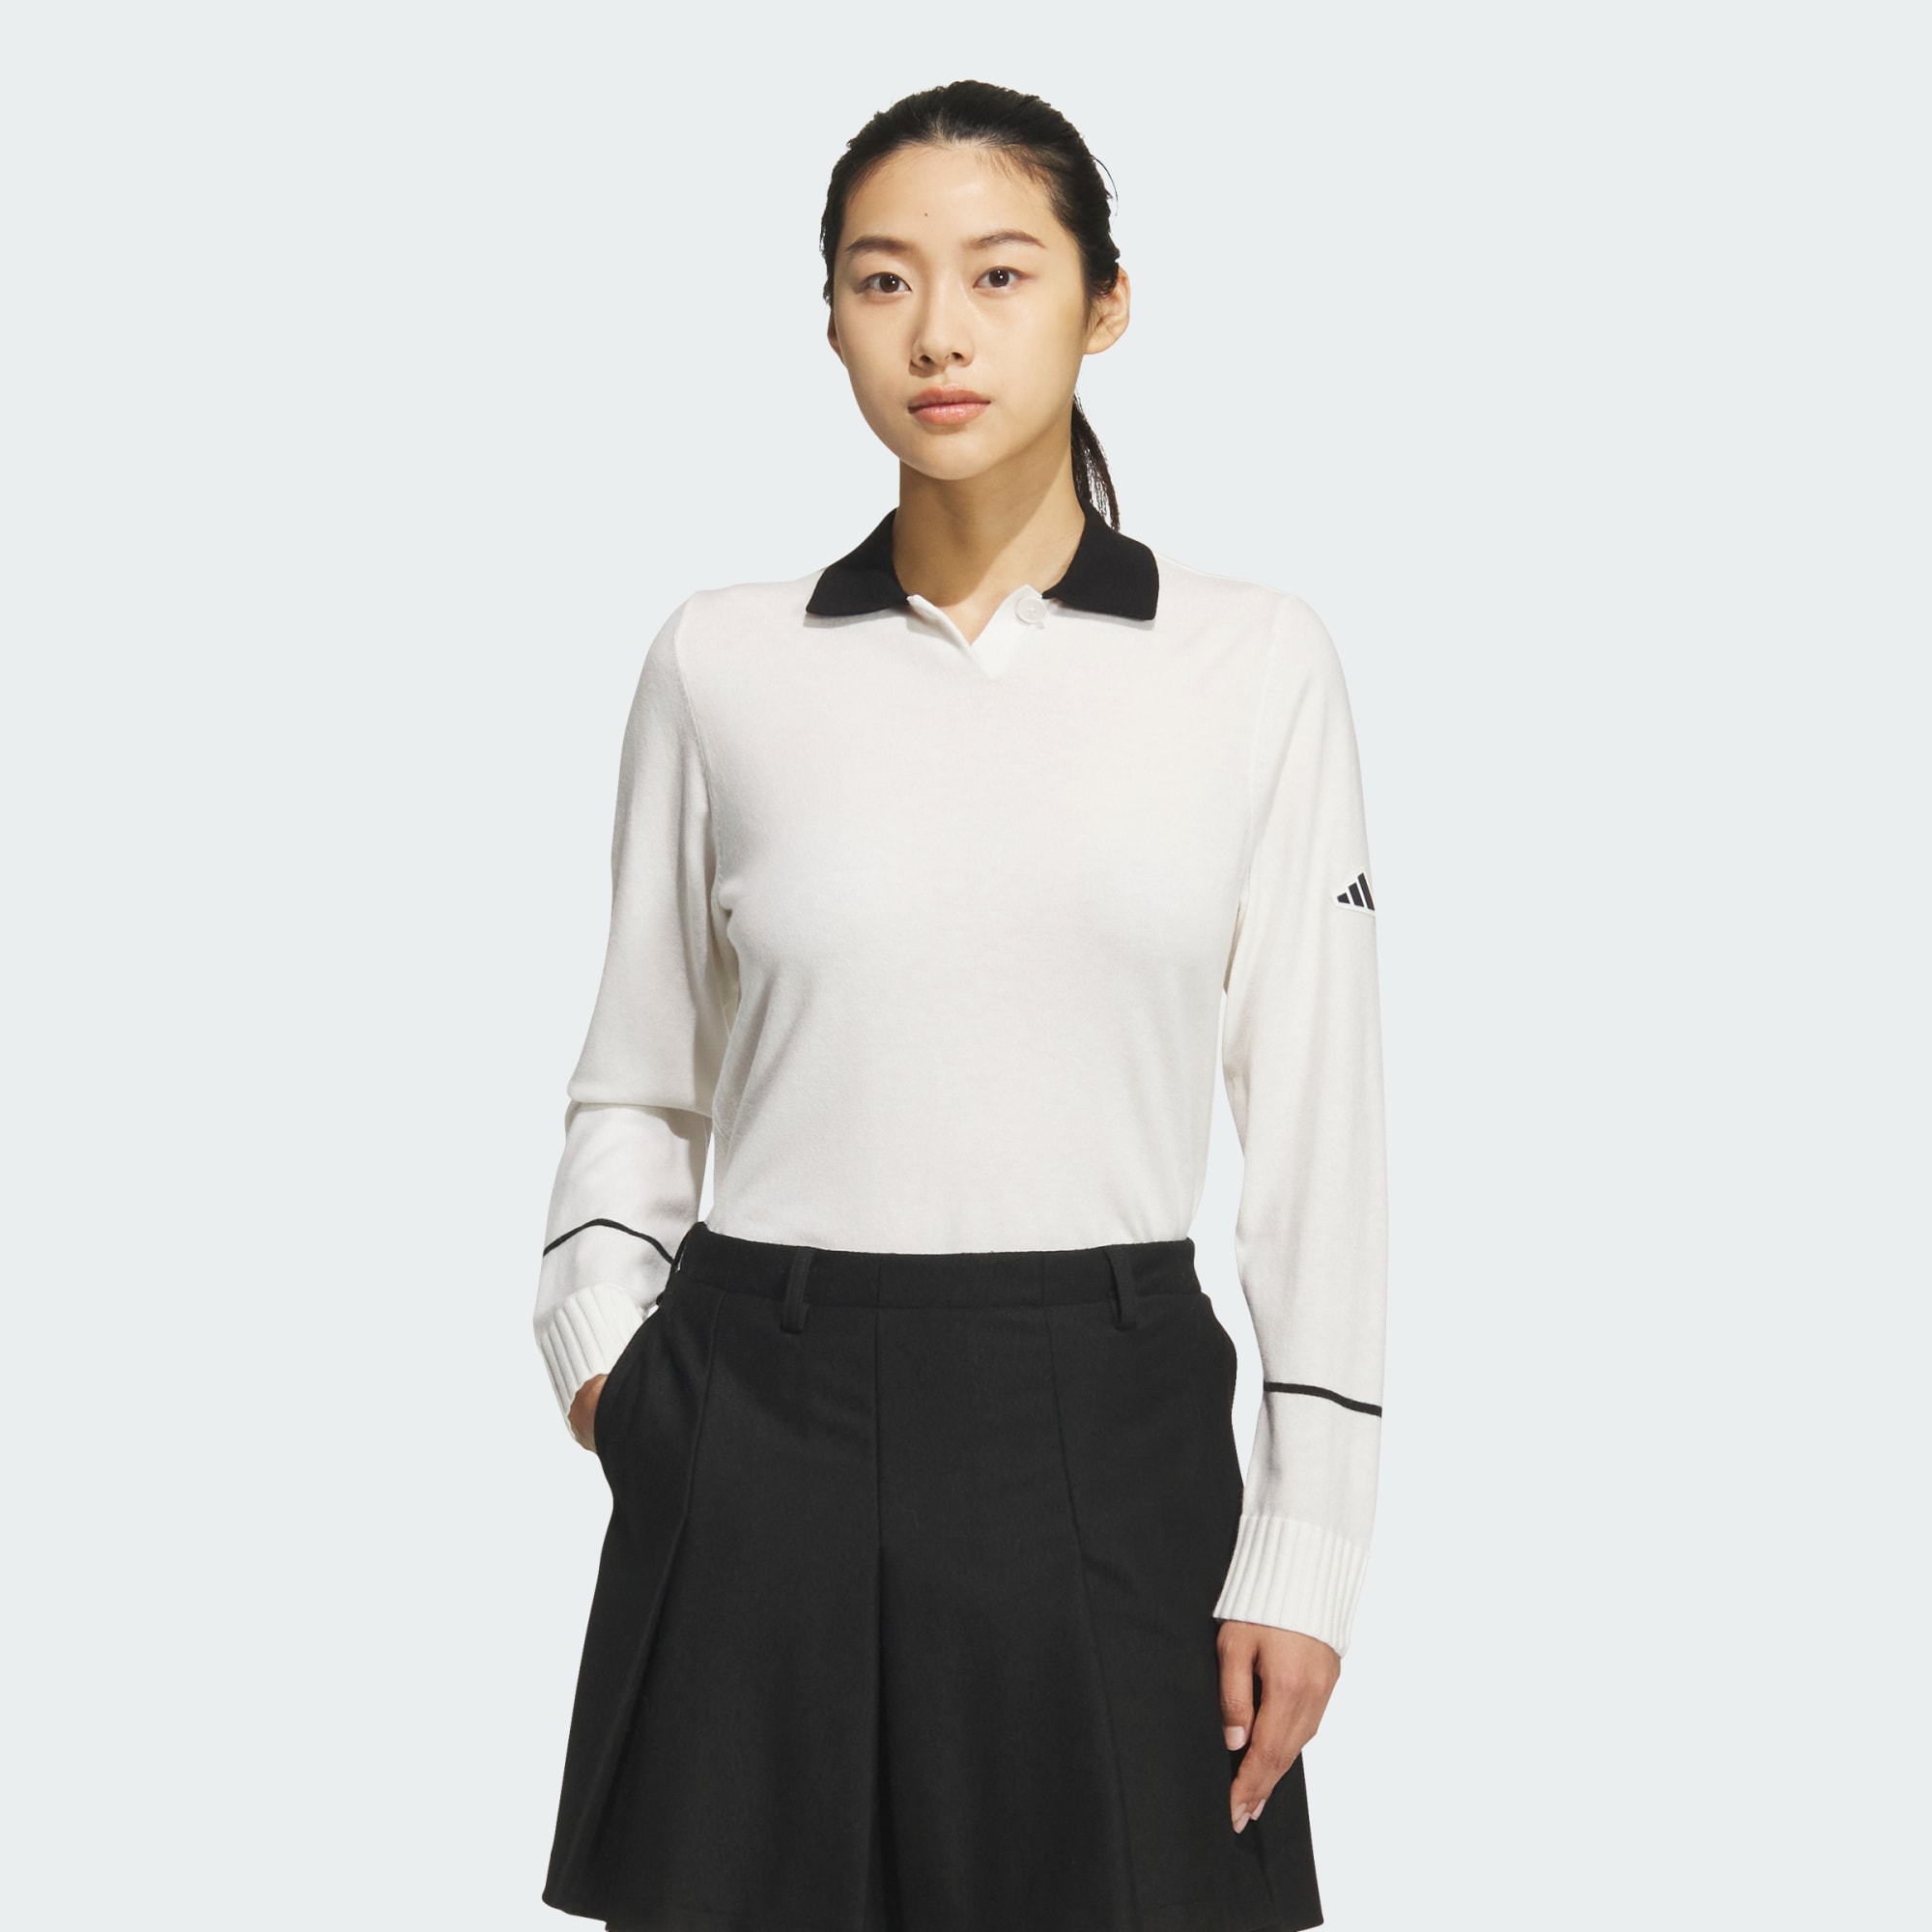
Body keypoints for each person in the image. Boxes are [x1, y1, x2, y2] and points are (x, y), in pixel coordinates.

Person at [531, 77, 1387, 1932]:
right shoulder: (722, 660)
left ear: (1105, 302)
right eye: (882, 279)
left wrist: (1309, 1542)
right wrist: (610, 1362)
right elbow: (639, 1081)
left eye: (1001, 273)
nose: (938, 332)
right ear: (832, 316)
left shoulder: (1252, 663)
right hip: (758, 1413)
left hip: (1111, 1425)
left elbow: (1320, 1131)